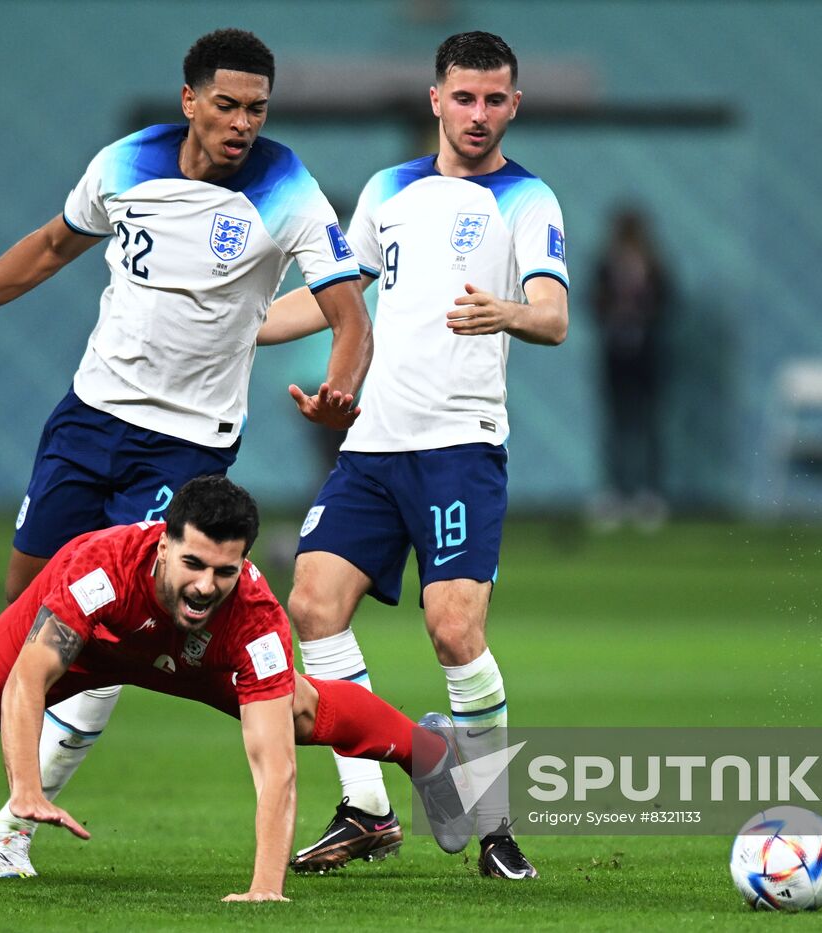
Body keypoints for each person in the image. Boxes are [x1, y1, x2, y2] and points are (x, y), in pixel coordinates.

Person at [0, 29, 374, 875]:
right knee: (27, 620)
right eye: (229, 105)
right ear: (190, 100)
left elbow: (350, 317)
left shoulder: (289, 191)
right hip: (87, 419)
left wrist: (339, 390)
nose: (244, 124)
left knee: (120, 619)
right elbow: (51, 247)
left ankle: (16, 822)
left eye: (258, 109)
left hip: (186, 445)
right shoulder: (125, 163)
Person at [0, 476, 464, 901]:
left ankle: (429, 749)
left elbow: (273, 765)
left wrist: (264, 887)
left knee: (302, 713)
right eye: (192, 563)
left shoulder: (251, 618)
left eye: (224, 570)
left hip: (192, 651)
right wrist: (26, 787)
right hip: (88, 644)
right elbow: (31, 679)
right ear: (163, 543)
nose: (205, 583)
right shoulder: (96, 572)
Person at [255, 31, 568, 880]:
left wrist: (502, 311)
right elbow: (336, 303)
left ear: (514, 105)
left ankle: (496, 824)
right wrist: (235, 326)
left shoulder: (529, 200)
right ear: (436, 99)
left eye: (494, 99)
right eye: (463, 97)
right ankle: (366, 809)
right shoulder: (389, 190)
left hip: (460, 446)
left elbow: (553, 317)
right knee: (313, 606)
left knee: (453, 629)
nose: (478, 114)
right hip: (373, 446)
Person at [589, 208, 672, 530]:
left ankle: (649, 493)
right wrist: (613, 311)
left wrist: (642, 312)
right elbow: (592, 301)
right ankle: (615, 492)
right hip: (615, 353)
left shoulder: (654, 265)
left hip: (646, 353)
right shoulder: (607, 264)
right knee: (616, 426)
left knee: (647, 425)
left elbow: (668, 301)